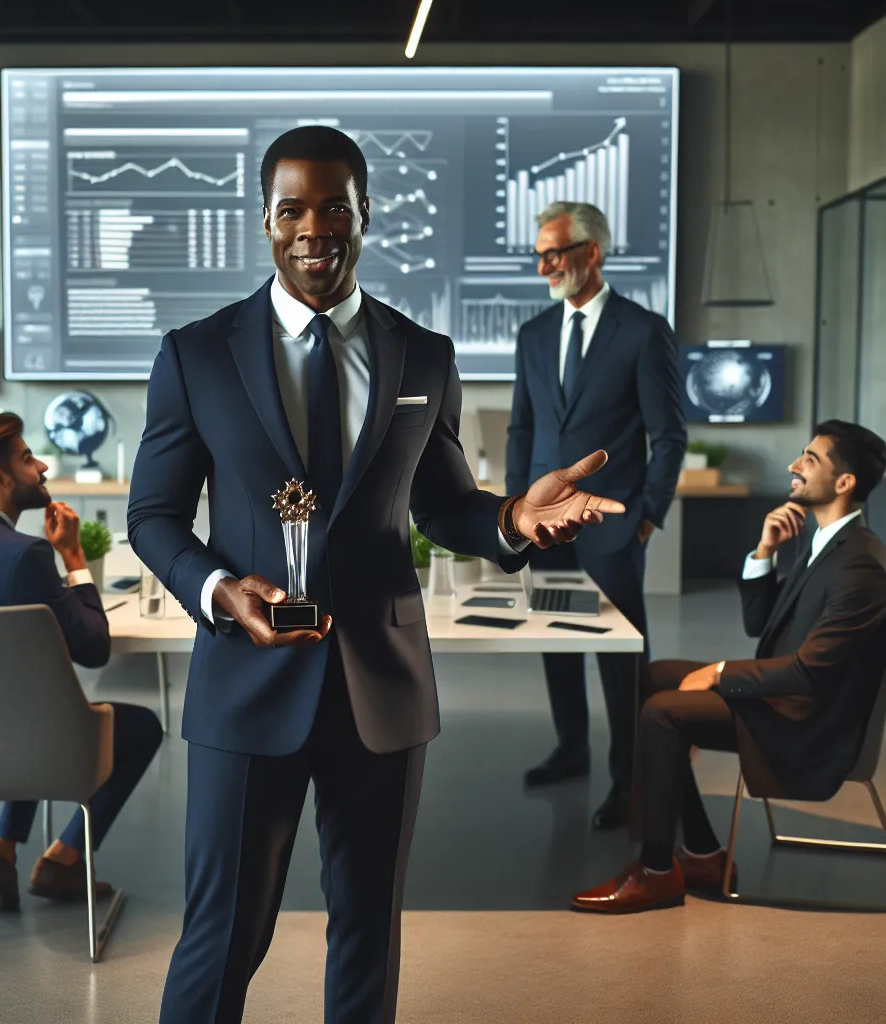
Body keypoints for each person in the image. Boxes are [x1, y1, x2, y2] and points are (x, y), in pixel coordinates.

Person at [131, 125, 625, 1024]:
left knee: (367, 925)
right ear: (265, 220)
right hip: (247, 684)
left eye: (333, 207)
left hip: (382, 689)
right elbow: (153, 518)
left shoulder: (421, 355)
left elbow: (443, 506)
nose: (312, 227)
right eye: (292, 209)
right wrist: (216, 590)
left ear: (365, 213)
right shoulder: (195, 355)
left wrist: (512, 517)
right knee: (226, 930)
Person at [570, 421, 886, 913]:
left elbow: (809, 674)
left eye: (810, 460)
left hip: (805, 724)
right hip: (790, 695)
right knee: (652, 676)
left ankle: (657, 871)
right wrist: (765, 551)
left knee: (663, 712)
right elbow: (760, 625)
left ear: (844, 483)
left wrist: (720, 674)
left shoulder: (859, 567)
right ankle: (703, 852)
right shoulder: (830, 544)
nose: (794, 465)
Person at [0, 413, 163, 910]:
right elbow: (94, 650)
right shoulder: (26, 555)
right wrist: (72, 558)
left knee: (20, 700)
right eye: (28, 459)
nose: (43, 466)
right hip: (32, 745)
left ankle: (0, 853)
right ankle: (64, 857)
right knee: (143, 725)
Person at [506, 200, 686, 831]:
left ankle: (630, 779)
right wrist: (515, 509)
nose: (544, 267)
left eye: (553, 254)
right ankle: (572, 749)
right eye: (540, 255)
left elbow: (670, 436)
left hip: (614, 529)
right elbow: (523, 429)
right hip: (547, 528)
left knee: (620, 663)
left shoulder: (642, 331)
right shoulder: (532, 336)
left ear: (592, 252)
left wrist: (647, 517)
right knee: (556, 644)